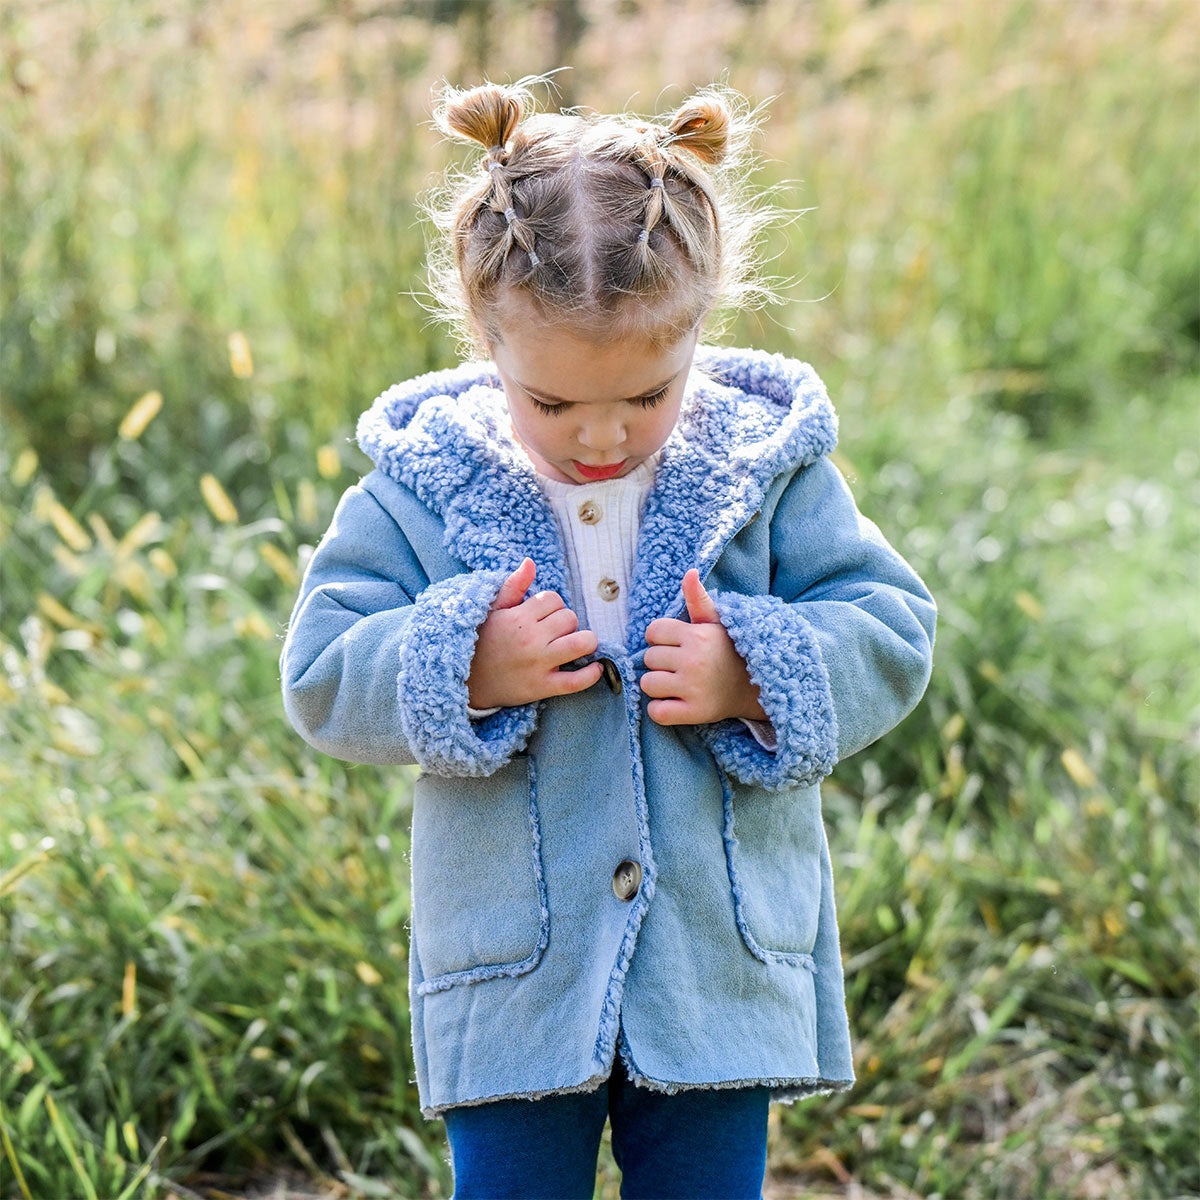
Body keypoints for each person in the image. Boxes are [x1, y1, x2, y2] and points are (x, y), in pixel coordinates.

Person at [279, 74, 937, 1200]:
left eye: (646, 395)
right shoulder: (419, 493)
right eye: (552, 405)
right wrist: (459, 662)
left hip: (714, 964)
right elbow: (323, 670)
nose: (599, 438)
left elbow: (890, 627)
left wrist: (758, 667)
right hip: (515, 973)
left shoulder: (765, 473)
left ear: (700, 329)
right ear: (484, 332)